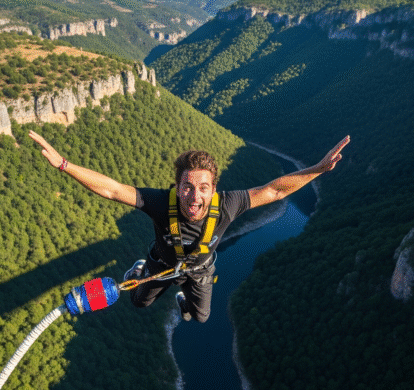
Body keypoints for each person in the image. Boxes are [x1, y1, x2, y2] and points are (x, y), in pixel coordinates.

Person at [28, 130, 350, 323]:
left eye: (203, 188)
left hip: (198, 271)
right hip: (162, 265)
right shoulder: (160, 203)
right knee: (139, 301)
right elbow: (113, 189)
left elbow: (274, 191)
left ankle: (183, 299)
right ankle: (140, 269)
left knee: (201, 316)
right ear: (177, 186)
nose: (195, 197)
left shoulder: (228, 204)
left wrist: (318, 169)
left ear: (214, 189)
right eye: (187, 187)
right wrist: (64, 165)